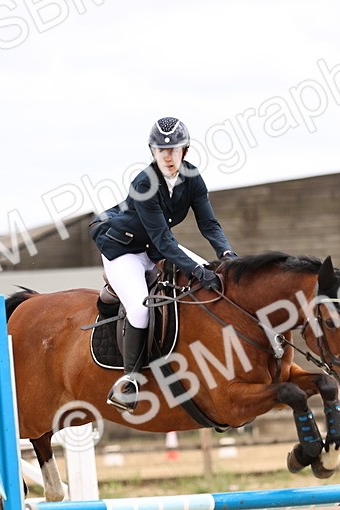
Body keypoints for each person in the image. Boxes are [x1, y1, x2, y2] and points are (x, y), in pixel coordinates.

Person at [89, 116, 238, 412]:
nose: (168, 156)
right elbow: (164, 241)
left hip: (154, 248)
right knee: (141, 308)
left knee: (216, 277)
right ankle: (129, 383)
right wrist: (196, 270)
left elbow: (209, 224)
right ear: (153, 152)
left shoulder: (192, 178)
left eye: (174, 150)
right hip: (124, 250)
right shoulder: (145, 182)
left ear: (186, 150)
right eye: (161, 151)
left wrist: (227, 256)